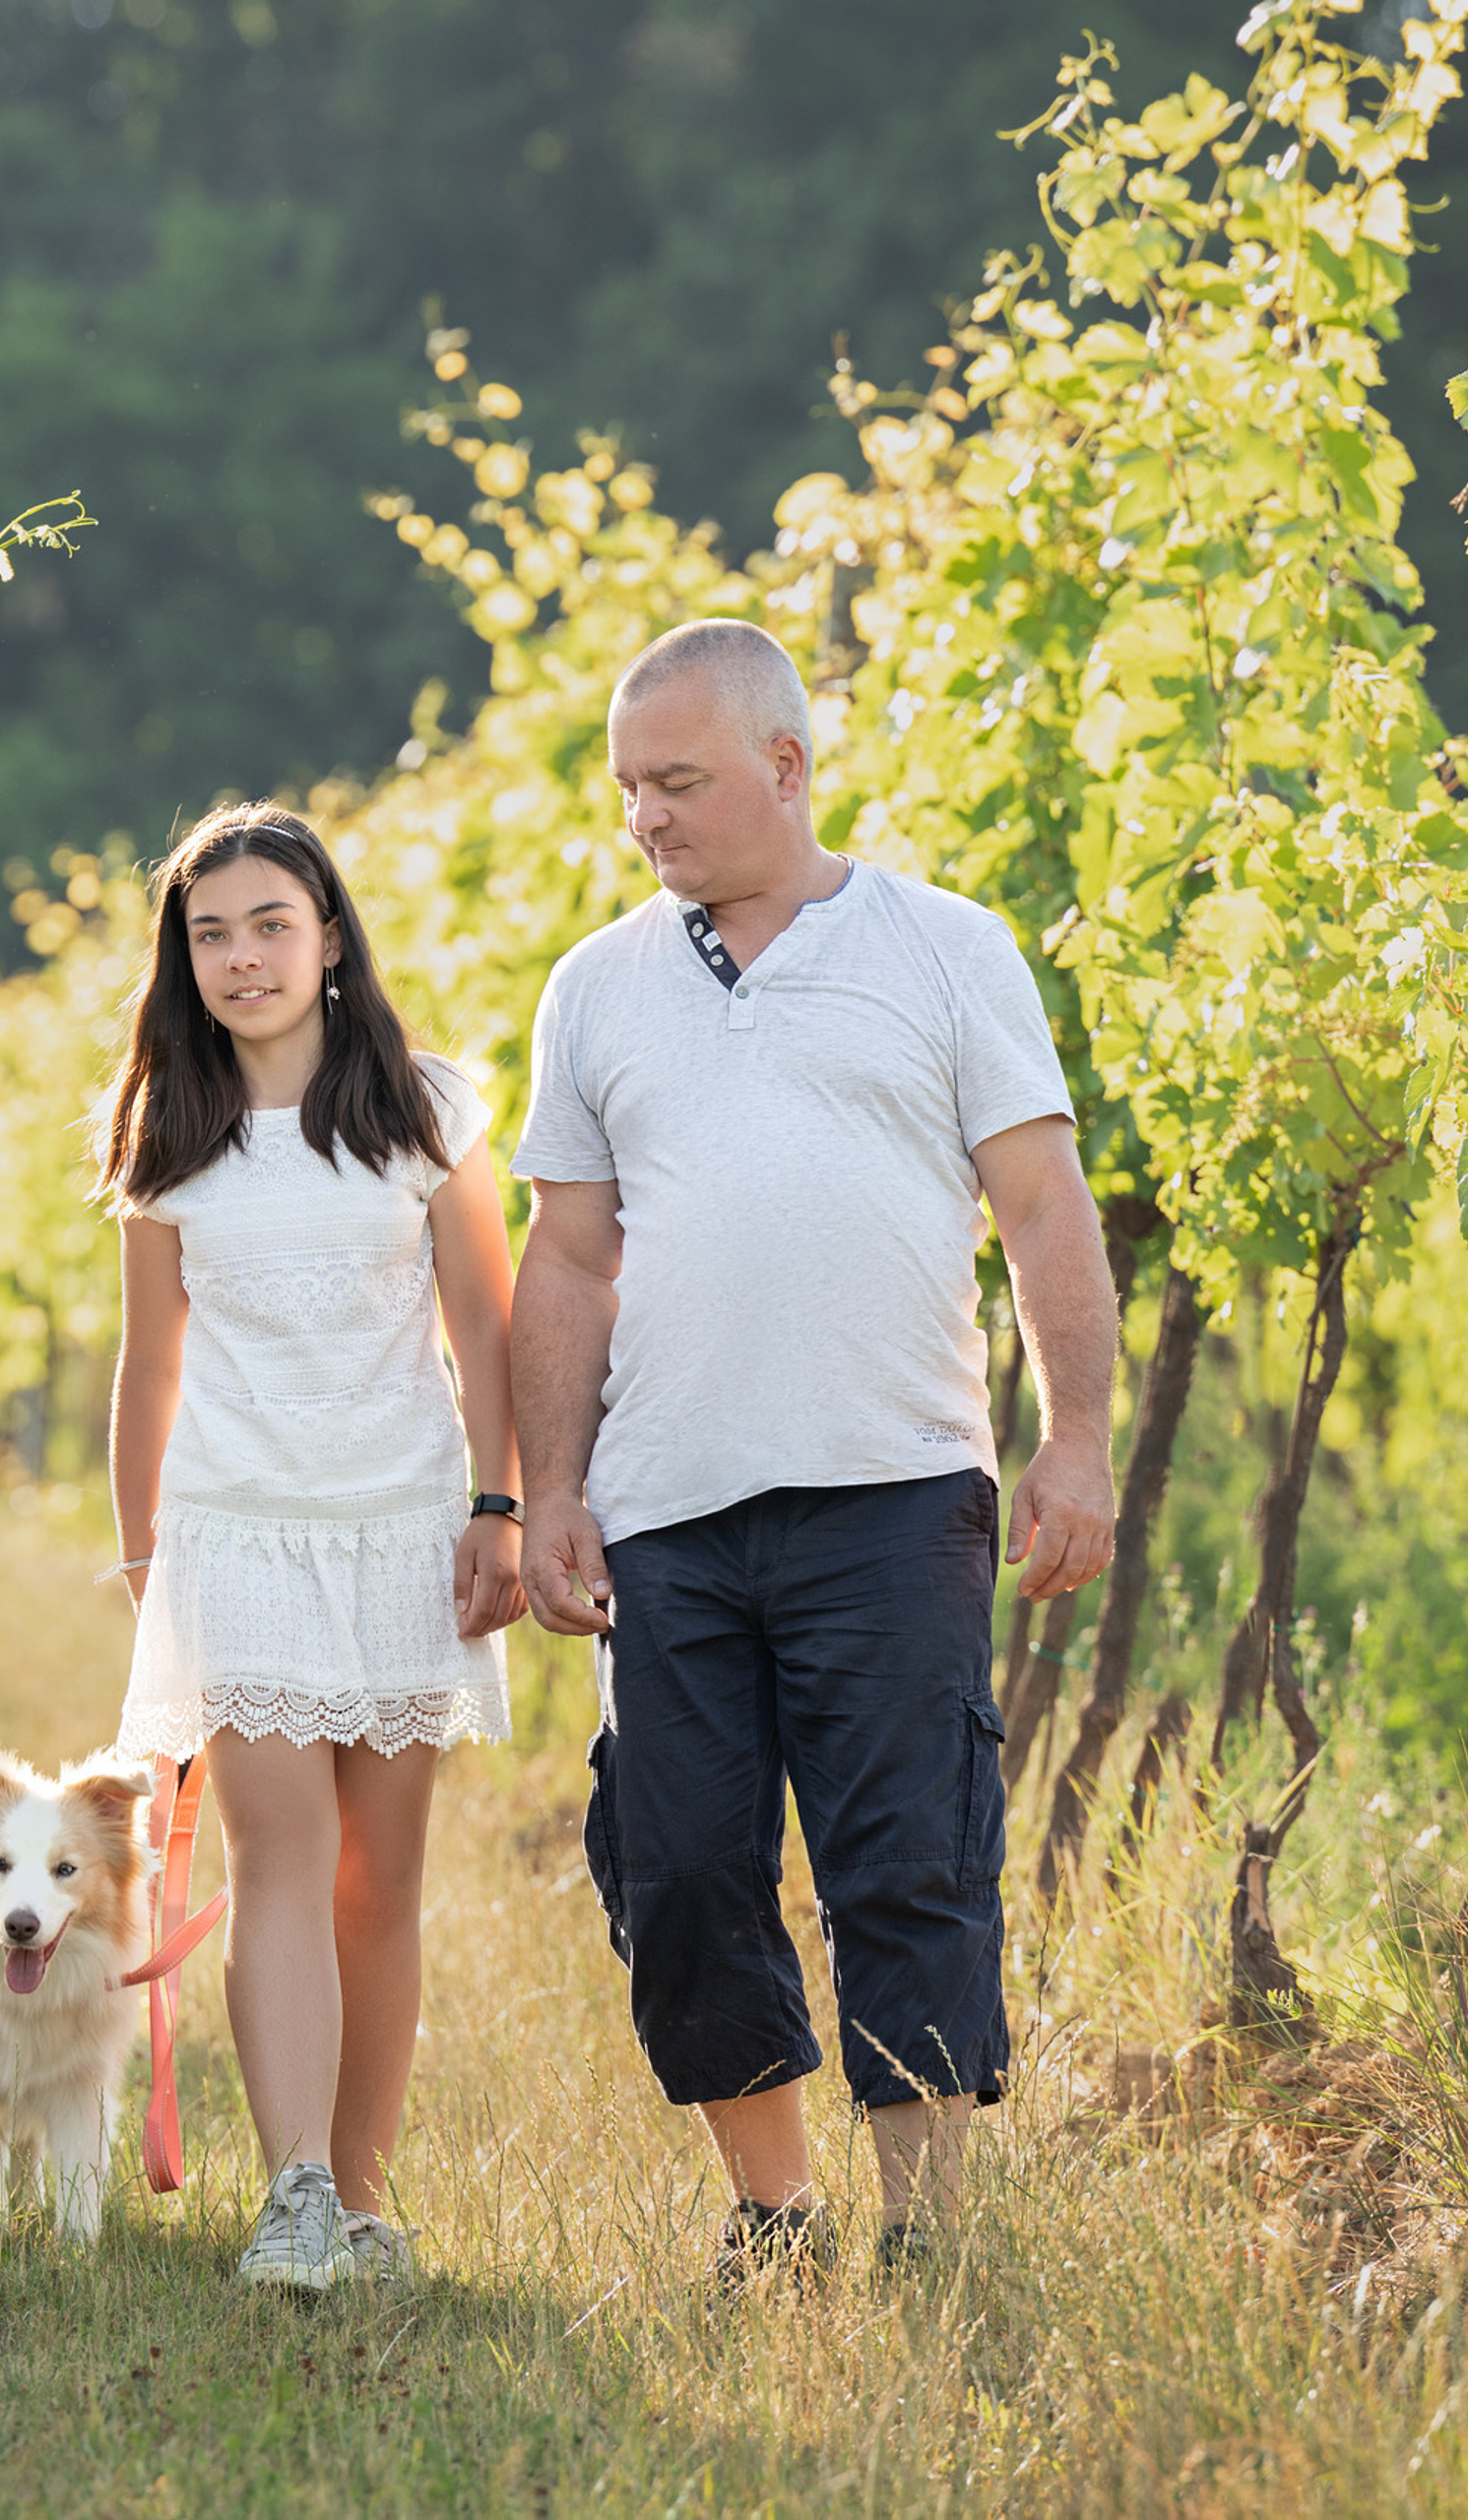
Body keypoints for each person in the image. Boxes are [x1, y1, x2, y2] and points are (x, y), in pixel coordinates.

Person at [508, 618, 1116, 2282]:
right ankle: (773, 2218)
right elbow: (568, 1259)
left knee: (909, 1860)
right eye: (628, 787)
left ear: (787, 766)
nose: (644, 816)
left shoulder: (947, 949)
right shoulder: (597, 985)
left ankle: (927, 2239)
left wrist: (1076, 1439)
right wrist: (549, 1488)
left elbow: (1042, 1203)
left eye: (677, 781)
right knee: (681, 1869)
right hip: (667, 1511)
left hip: (895, 1486)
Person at [102, 803, 528, 2291]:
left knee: (377, 1884)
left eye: (270, 925)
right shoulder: (167, 1134)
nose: (242, 958)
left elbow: (486, 1325)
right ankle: (290, 2197)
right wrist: (148, 1566)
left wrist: (499, 1506)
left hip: (404, 1532)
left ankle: (359, 2200)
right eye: (209, 934)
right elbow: (149, 1367)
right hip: (237, 1537)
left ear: (330, 937)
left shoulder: (425, 1109)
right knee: (280, 1860)